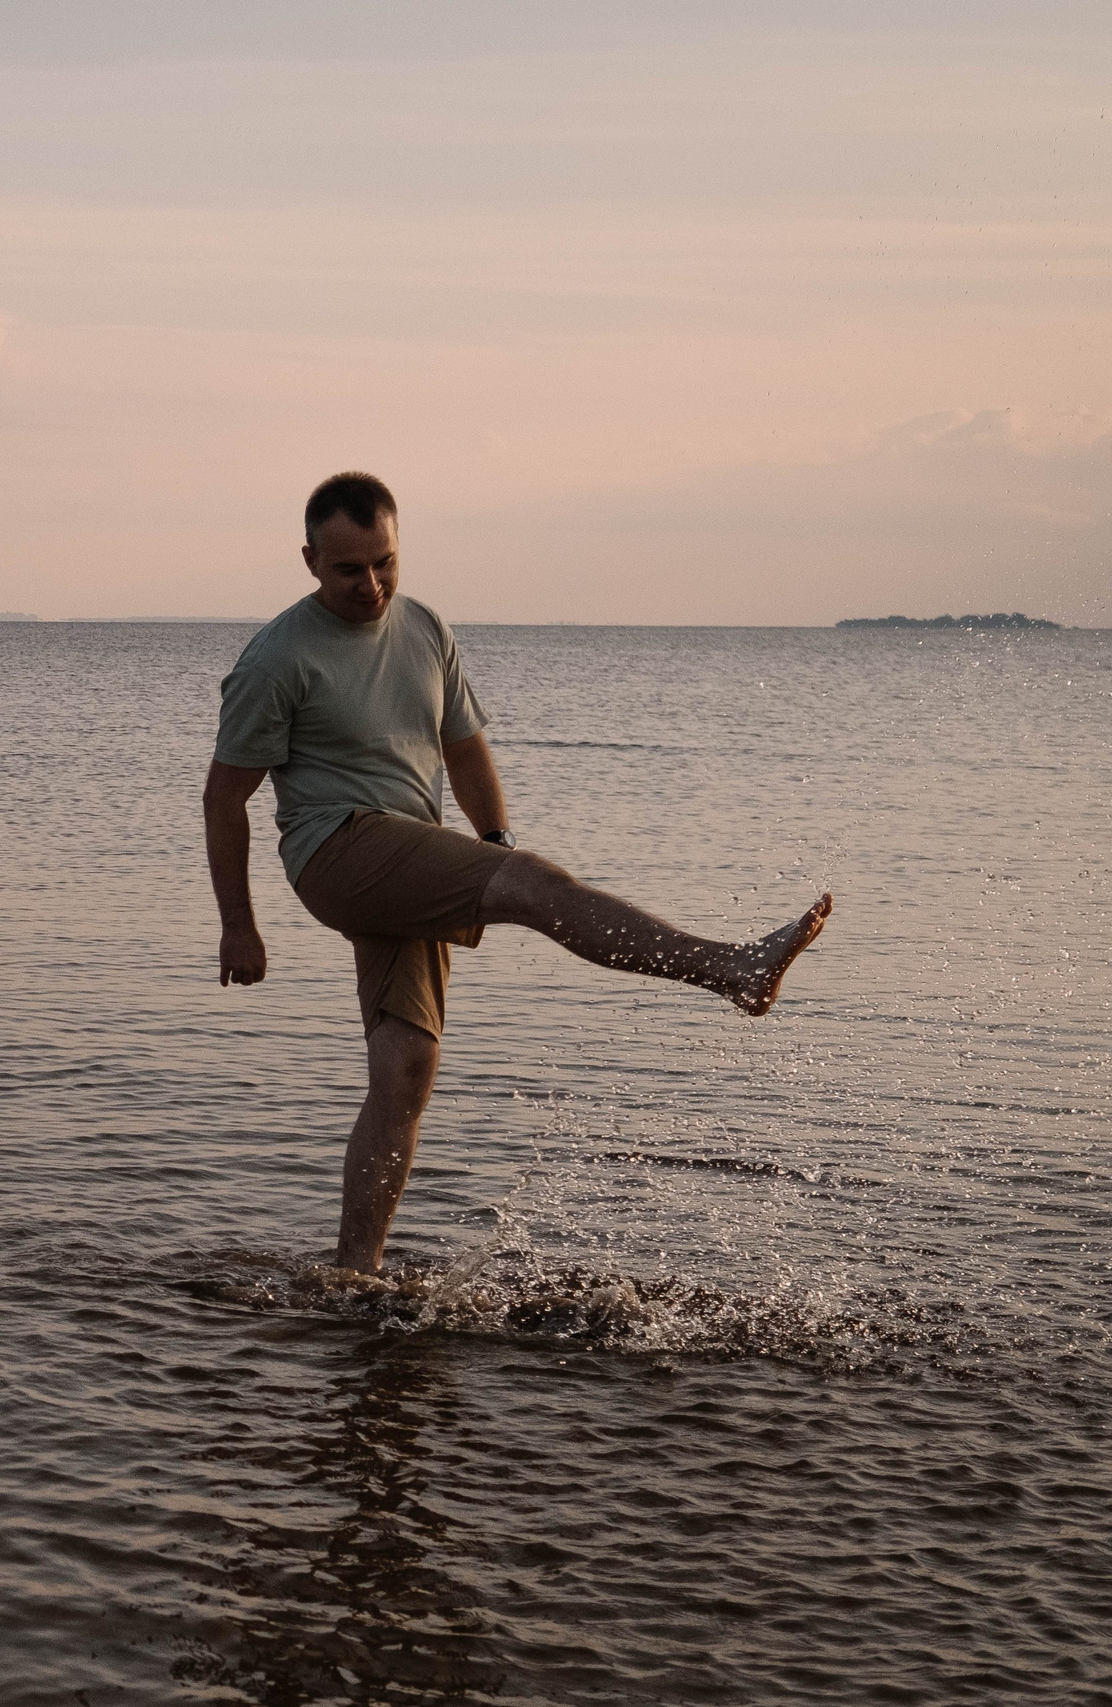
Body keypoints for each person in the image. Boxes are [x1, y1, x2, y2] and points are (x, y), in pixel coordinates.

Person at [205, 471, 831, 1276]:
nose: (372, 585)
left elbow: (463, 748)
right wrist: (238, 922)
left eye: (385, 563)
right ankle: (729, 968)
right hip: (336, 850)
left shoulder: (425, 628)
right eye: (348, 570)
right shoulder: (277, 658)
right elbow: (226, 797)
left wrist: (492, 837)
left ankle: (352, 1274)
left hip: (413, 846)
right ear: (309, 561)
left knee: (405, 1067)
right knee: (533, 884)